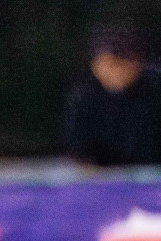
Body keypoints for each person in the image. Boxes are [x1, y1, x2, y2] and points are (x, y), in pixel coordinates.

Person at [66, 20, 161, 167]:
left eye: (116, 64)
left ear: (136, 64)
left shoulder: (154, 91)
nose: (109, 72)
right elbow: (80, 151)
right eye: (103, 65)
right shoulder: (85, 97)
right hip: (107, 180)